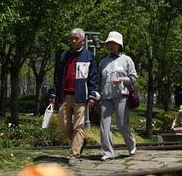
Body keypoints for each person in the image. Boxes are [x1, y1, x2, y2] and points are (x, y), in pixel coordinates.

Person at [51, 28, 100, 166]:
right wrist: (54, 93)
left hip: (81, 96)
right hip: (65, 95)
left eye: (76, 38)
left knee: (79, 126)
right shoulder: (63, 56)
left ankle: (74, 154)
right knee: (63, 124)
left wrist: (92, 96)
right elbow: (58, 77)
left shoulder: (88, 56)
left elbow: (93, 78)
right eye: (71, 38)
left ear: (82, 40)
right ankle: (80, 142)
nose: (73, 40)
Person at [98, 31, 138, 161]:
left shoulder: (127, 60)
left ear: (119, 45)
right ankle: (108, 152)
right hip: (105, 97)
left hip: (121, 96)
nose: (110, 45)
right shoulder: (103, 62)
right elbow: (99, 79)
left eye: (113, 43)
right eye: (109, 43)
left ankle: (131, 144)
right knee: (104, 126)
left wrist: (121, 80)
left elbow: (133, 78)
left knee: (122, 124)